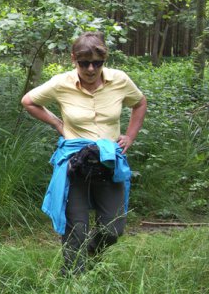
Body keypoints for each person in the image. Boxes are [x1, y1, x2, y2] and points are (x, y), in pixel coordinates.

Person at [22, 32, 147, 276]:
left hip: (108, 161)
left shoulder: (119, 80)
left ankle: (93, 252)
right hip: (75, 163)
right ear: (73, 59)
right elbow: (28, 101)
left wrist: (130, 136)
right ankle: (72, 280)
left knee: (113, 228)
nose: (91, 69)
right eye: (84, 63)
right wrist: (58, 124)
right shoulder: (61, 83)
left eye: (97, 63)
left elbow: (139, 103)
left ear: (104, 60)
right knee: (75, 229)